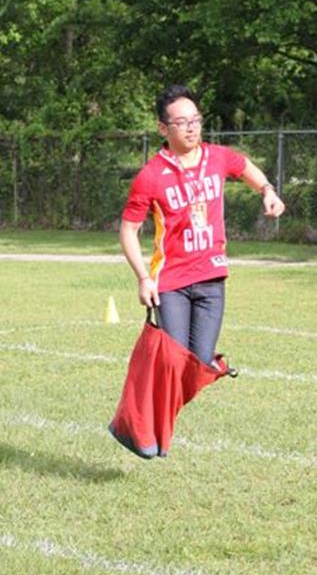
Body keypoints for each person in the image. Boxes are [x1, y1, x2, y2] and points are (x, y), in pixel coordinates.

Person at [119, 85, 285, 367]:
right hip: (171, 282)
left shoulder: (217, 157)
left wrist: (267, 190)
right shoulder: (151, 175)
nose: (191, 128)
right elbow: (128, 230)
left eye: (195, 120)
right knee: (174, 362)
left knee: (201, 363)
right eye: (182, 122)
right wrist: (144, 278)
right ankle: (161, 396)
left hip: (211, 276)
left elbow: (245, 167)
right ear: (163, 128)